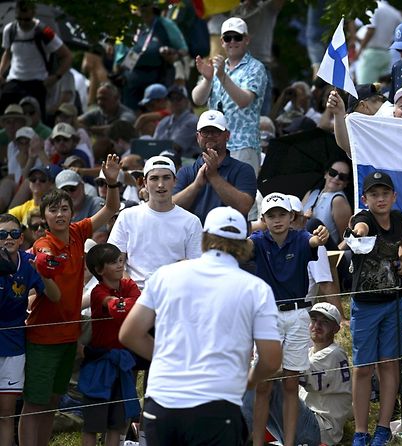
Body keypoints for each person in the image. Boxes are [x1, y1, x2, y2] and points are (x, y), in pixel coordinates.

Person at [119, 206, 282, 446]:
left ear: (205, 239)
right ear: (246, 245)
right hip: (217, 405)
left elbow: (130, 334)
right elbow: (270, 359)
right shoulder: (255, 289)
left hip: (163, 403)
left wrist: (166, 357)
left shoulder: (166, 275)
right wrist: (248, 380)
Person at [19, 154, 120, 446]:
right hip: (42, 336)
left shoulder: (78, 232)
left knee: (52, 401)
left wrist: (112, 181)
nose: (60, 214)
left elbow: (111, 208)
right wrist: (46, 262)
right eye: (54, 210)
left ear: (72, 212)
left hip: (68, 335)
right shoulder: (43, 243)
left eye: (65, 208)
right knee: (34, 403)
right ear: (45, 215)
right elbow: (43, 257)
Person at [249, 193, 329, 446]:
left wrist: (321, 238)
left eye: (282, 214)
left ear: (291, 216)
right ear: (263, 219)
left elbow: (313, 241)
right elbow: (245, 246)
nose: (277, 220)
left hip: (296, 313)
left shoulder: (301, 238)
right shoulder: (258, 241)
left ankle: (291, 442)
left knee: (291, 383)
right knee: (263, 384)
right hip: (267, 315)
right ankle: (258, 442)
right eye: (271, 215)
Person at [348, 171, 402, 446]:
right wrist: (357, 232)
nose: (381, 198)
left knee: (389, 364)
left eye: (385, 193)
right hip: (365, 305)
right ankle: (360, 431)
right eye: (374, 194)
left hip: (394, 302)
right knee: (363, 368)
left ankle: (383, 427)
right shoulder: (362, 219)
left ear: (394, 196)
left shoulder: (397, 219)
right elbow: (358, 228)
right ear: (365, 199)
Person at [0, 213, 59, 446]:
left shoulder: (28, 262)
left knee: (6, 412)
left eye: (14, 234)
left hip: (14, 345)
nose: (8, 238)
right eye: (2, 234)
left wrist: (44, 274)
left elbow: (55, 297)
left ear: (21, 237)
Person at [108, 155, 203, 290]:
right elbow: (114, 263)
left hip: (174, 295)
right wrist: (134, 294)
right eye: (154, 178)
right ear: (145, 183)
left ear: (175, 181)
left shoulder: (191, 222)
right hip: (134, 295)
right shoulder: (127, 216)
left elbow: (195, 267)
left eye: (166, 177)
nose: (160, 184)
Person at [264, 302, 352, 446]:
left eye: (324, 322)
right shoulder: (311, 353)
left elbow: (285, 371)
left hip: (320, 429)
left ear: (336, 328)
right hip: (311, 426)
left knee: (267, 385)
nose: (317, 325)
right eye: (314, 320)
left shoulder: (333, 353)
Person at [80, 243, 141, 446]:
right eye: (113, 262)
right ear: (99, 270)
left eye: (120, 260)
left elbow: (137, 303)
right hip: (100, 362)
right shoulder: (98, 293)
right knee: (92, 423)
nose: (119, 265)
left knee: (116, 423)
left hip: (123, 362)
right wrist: (130, 305)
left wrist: (130, 305)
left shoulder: (129, 285)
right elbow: (118, 309)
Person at [192, 17, 267, 177]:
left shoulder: (255, 67)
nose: (232, 41)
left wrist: (222, 77)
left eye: (237, 37)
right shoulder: (217, 67)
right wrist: (207, 79)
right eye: (227, 38)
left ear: (246, 39)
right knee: (216, 196)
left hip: (243, 144)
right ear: (222, 41)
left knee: (242, 196)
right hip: (216, 146)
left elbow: (244, 100)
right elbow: (198, 100)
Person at [173, 110, 257, 222]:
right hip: (195, 238)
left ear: (227, 136)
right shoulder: (185, 171)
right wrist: (196, 185)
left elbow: (244, 207)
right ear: (198, 137)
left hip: (231, 238)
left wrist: (214, 177)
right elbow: (171, 208)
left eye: (216, 131)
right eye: (205, 132)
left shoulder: (244, 169)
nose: (210, 136)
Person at [0, 0, 73, 113]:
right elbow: (7, 53)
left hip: (36, 82)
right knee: (6, 116)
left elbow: (67, 56)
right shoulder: (10, 30)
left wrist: (55, 77)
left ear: (33, 13)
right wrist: (0, 73)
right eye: (19, 19)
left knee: (33, 118)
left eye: (26, 19)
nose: (23, 23)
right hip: (14, 81)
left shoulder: (45, 31)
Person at [302, 159, 353, 249]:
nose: (336, 178)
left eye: (342, 177)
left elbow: (347, 239)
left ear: (346, 183)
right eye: (333, 173)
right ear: (326, 174)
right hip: (303, 246)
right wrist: (303, 219)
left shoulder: (338, 200)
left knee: (313, 223)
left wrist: (333, 258)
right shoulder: (311, 193)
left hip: (323, 251)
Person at [357, 0, 402, 84]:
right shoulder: (393, 11)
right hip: (386, 53)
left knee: (364, 88)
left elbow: (371, 30)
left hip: (372, 54)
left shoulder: (372, 8)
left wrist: (360, 49)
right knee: (380, 88)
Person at [153, 85, 200, 158]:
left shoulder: (192, 121)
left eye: (178, 98)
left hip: (187, 160)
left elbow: (175, 147)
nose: (175, 102)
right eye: (171, 99)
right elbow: (153, 143)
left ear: (186, 101)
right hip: (164, 159)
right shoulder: (164, 121)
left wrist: (153, 147)